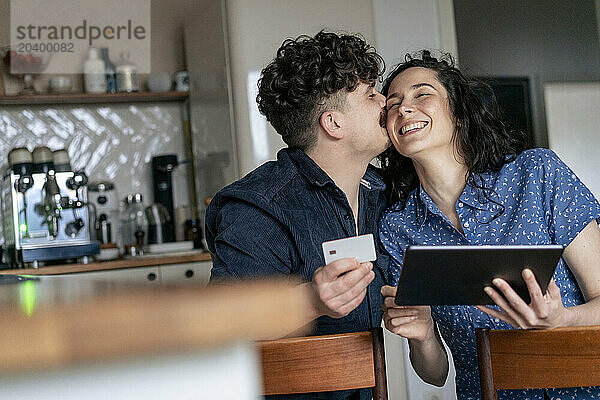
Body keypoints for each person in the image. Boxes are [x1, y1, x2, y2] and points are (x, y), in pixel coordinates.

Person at [377, 50, 600, 400]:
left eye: (422, 94)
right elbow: (434, 374)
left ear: (459, 114)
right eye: (392, 104)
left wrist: (562, 320)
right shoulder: (397, 228)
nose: (403, 108)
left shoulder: (537, 173)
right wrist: (422, 335)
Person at [206, 31, 391, 400]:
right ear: (333, 123)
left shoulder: (380, 192)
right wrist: (311, 301)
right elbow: (222, 326)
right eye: (371, 95)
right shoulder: (259, 208)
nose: (386, 102)